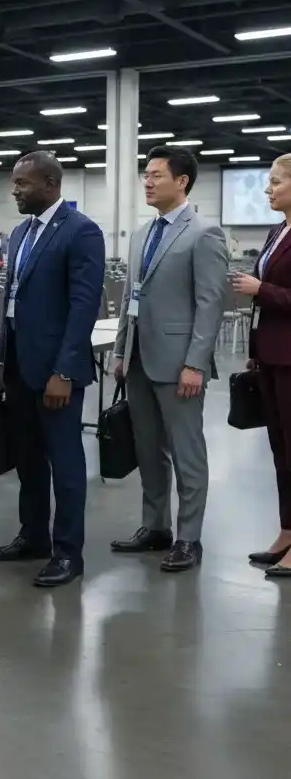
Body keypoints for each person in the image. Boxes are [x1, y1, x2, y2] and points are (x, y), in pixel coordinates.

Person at [0, 152, 104, 588]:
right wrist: (2, 359)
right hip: (19, 367)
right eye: (14, 182)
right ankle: (32, 535)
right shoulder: (19, 234)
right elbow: (12, 303)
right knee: (28, 461)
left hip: (57, 371)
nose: (14, 189)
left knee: (66, 463)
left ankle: (68, 552)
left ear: (51, 183)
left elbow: (83, 307)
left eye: (23, 183)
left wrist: (66, 371)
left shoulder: (81, 232)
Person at [112, 147, 227, 572]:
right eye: (145, 174)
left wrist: (196, 363)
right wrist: (122, 351)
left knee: (186, 451)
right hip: (140, 358)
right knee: (148, 448)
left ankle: (189, 537)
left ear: (182, 182)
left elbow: (210, 303)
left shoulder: (204, 233)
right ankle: (155, 526)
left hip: (180, 363)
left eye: (156, 174)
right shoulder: (142, 234)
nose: (147, 181)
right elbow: (129, 298)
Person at [233, 154, 291, 577]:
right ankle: (287, 530)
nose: (267, 189)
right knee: (281, 449)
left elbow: (273, 293)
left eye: (274, 182)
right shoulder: (277, 231)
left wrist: (262, 289)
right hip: (270, 353)